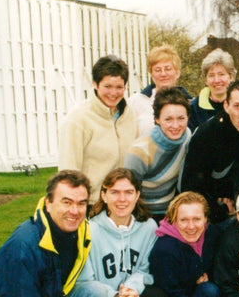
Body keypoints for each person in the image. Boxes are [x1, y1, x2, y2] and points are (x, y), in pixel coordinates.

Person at [78, 169, 170, 297]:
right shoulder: (88, 230)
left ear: (137, 195)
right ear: (103, 195)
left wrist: (131, 290)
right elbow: (85, 281)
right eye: (115, 192)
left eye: (128, 192)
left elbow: (144, 270)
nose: (122, 199)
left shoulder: (147, 227)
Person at [58, 54, 138, 205]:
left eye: (119, 87)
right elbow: (68, 173)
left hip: (124, 204)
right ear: (95, 84)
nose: (113, 93)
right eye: (107, 86)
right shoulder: (77, 120)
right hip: (91, 205)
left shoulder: (130, 116)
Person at [182, 79, 239, 224]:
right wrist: (220, 210)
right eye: (238, 106)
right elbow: (191, 187)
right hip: (208, 211)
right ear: (226, 106)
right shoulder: (207, 135)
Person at [124, 87, 192, 219]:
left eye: (181, 118)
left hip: (173, 211)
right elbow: (127, 194)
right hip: (143, 214)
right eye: (168, 119)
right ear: (157, 119)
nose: (176, 125)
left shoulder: (187, 137)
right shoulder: (139, 151)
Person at [127, 44, 192, 136]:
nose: (163, 74)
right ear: (152, 74)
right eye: (158, 70)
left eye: (168, 69)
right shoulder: (136, 102)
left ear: (177, 73)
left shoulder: (190, 103)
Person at [188, 48, 237, 131]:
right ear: (206, 80)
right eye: (211, 75)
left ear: (231, 77)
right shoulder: (194, 109)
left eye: (221, 74)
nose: (217, 80)